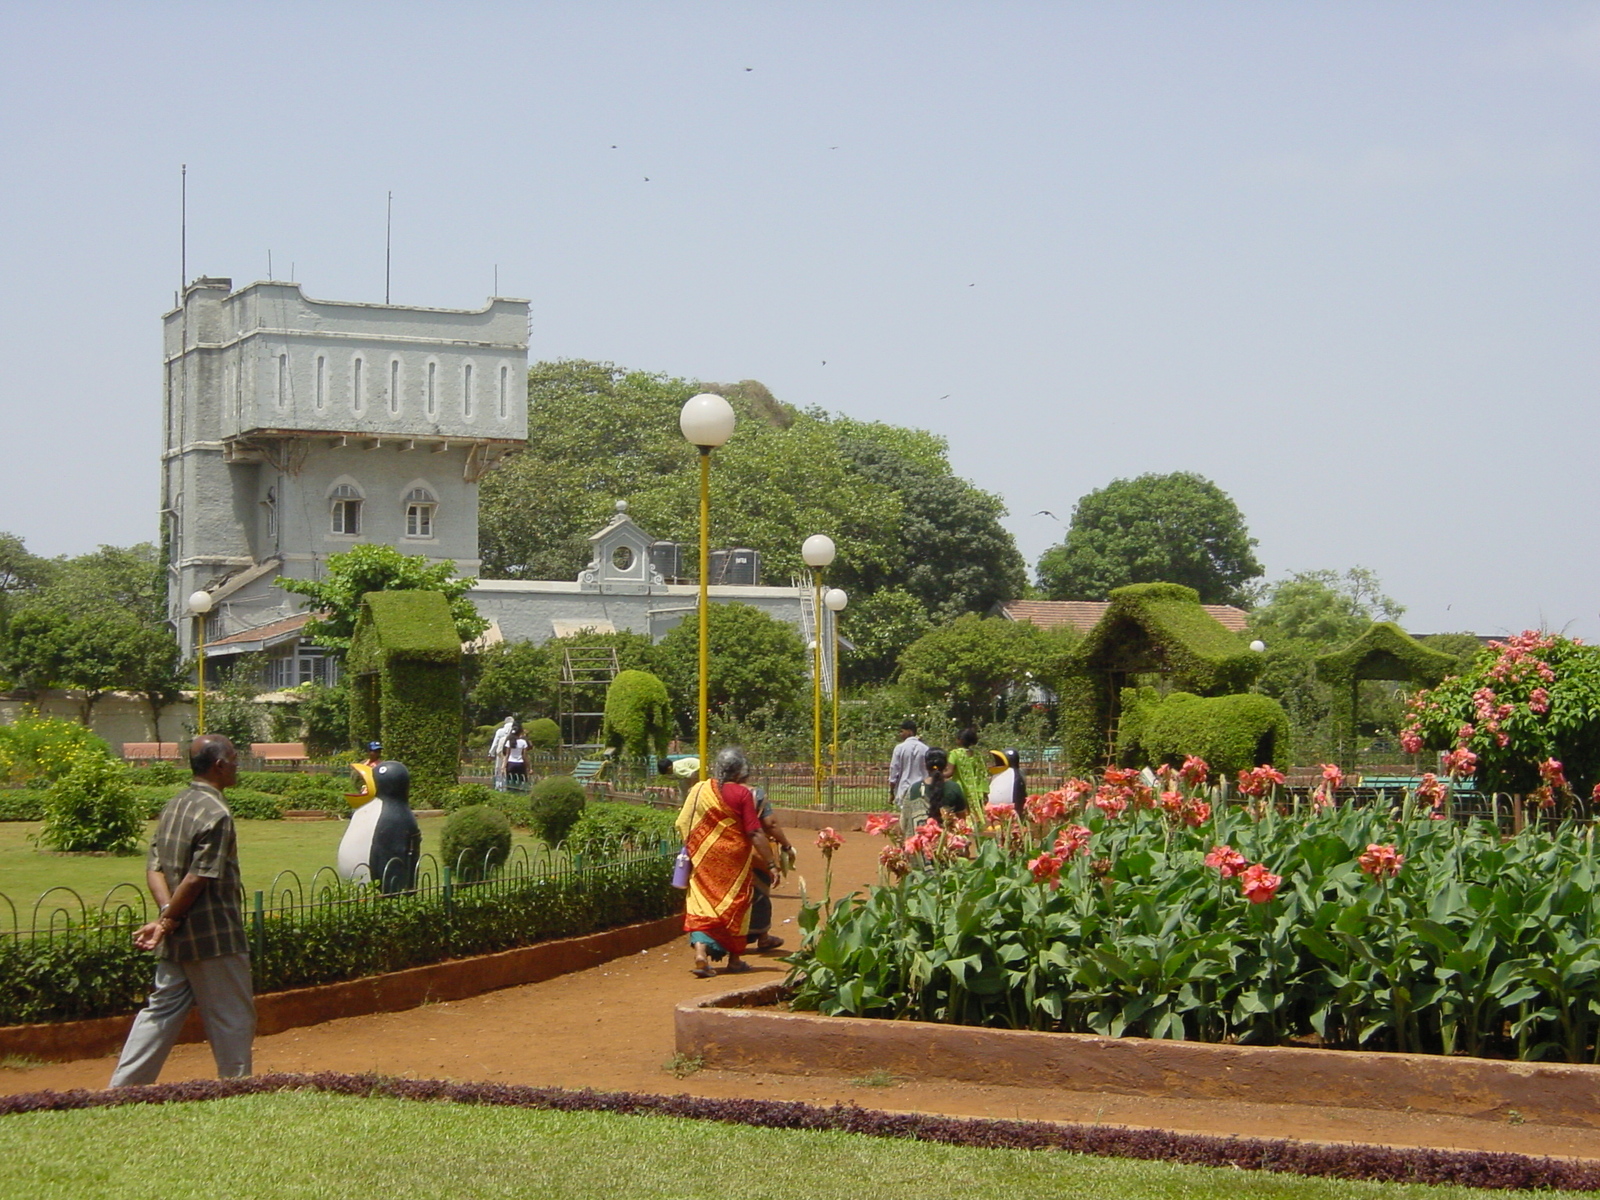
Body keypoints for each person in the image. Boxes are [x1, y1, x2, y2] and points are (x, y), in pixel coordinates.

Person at [110, 734, 255, 1087]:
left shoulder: (175, 804)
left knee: (160, 1011)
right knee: (233, 1017)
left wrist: (165, 918)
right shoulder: (217, 813)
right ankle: (237, 1090)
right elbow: (198, 878)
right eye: (235, 758)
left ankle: (122, 1090)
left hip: (177, 936)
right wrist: (168, 919)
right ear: (219, 765)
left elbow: (154, 867)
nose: (238, 764)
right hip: (215, 935)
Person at [675, 747, 778, 978]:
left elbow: (682, 822)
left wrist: (696, 844)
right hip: (735, 861)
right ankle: (734, 960)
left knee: (701, 903)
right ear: (741, 771)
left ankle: (700, 953)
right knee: (736, 904)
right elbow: (754, 832)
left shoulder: (699, 790)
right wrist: (771, 864)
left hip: (704, 857)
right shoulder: (742, 794)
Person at [910, 747, 967, 828]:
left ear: (925, 765)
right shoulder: (954, 788)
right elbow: (961, 819)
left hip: (920, 838)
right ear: (946, 765)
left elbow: (906, 819)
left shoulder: (915, 788)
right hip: (946, 839)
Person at [888, 720, 929, 809]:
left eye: (902, 731)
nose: (900, 734)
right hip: (922, 788)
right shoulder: (925, 748)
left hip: (905, 788)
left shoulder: (900, 748)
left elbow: (894, 770)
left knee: (906, 816)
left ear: (910, 731)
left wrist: (891, 792)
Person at [947, 728, 987, 819]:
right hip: (974, 791)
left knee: (961, 816)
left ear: (960, 740)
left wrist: (937, 774)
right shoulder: (977, 755)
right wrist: (985, 792)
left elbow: (949, 772)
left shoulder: (955, 754)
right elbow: (982, 773)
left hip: (959, 789)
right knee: (973, 816)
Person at [988, 747, 1027, 818]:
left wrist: (1018, 810)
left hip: (1011, 812)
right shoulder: (998, 774)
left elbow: (1019, 794)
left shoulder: (1015, 775)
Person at [488, 716, 516, 790]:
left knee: (499, 768)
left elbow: (495, 743)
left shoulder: (500, 731)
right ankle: (510, 786)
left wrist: (491, 753)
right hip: (512, 751)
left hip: (500, 751)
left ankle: (499, 786)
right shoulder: (515, 730)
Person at [504, 722, 529, 790]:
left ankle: (511, 793)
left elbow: (507, 755)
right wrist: (529, 766)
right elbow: (524, 756)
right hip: (520, 763)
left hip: (511, 763)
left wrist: (503, 766)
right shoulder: (523, 742)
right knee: (520, 780)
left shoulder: (509, 742)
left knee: (510, 781)